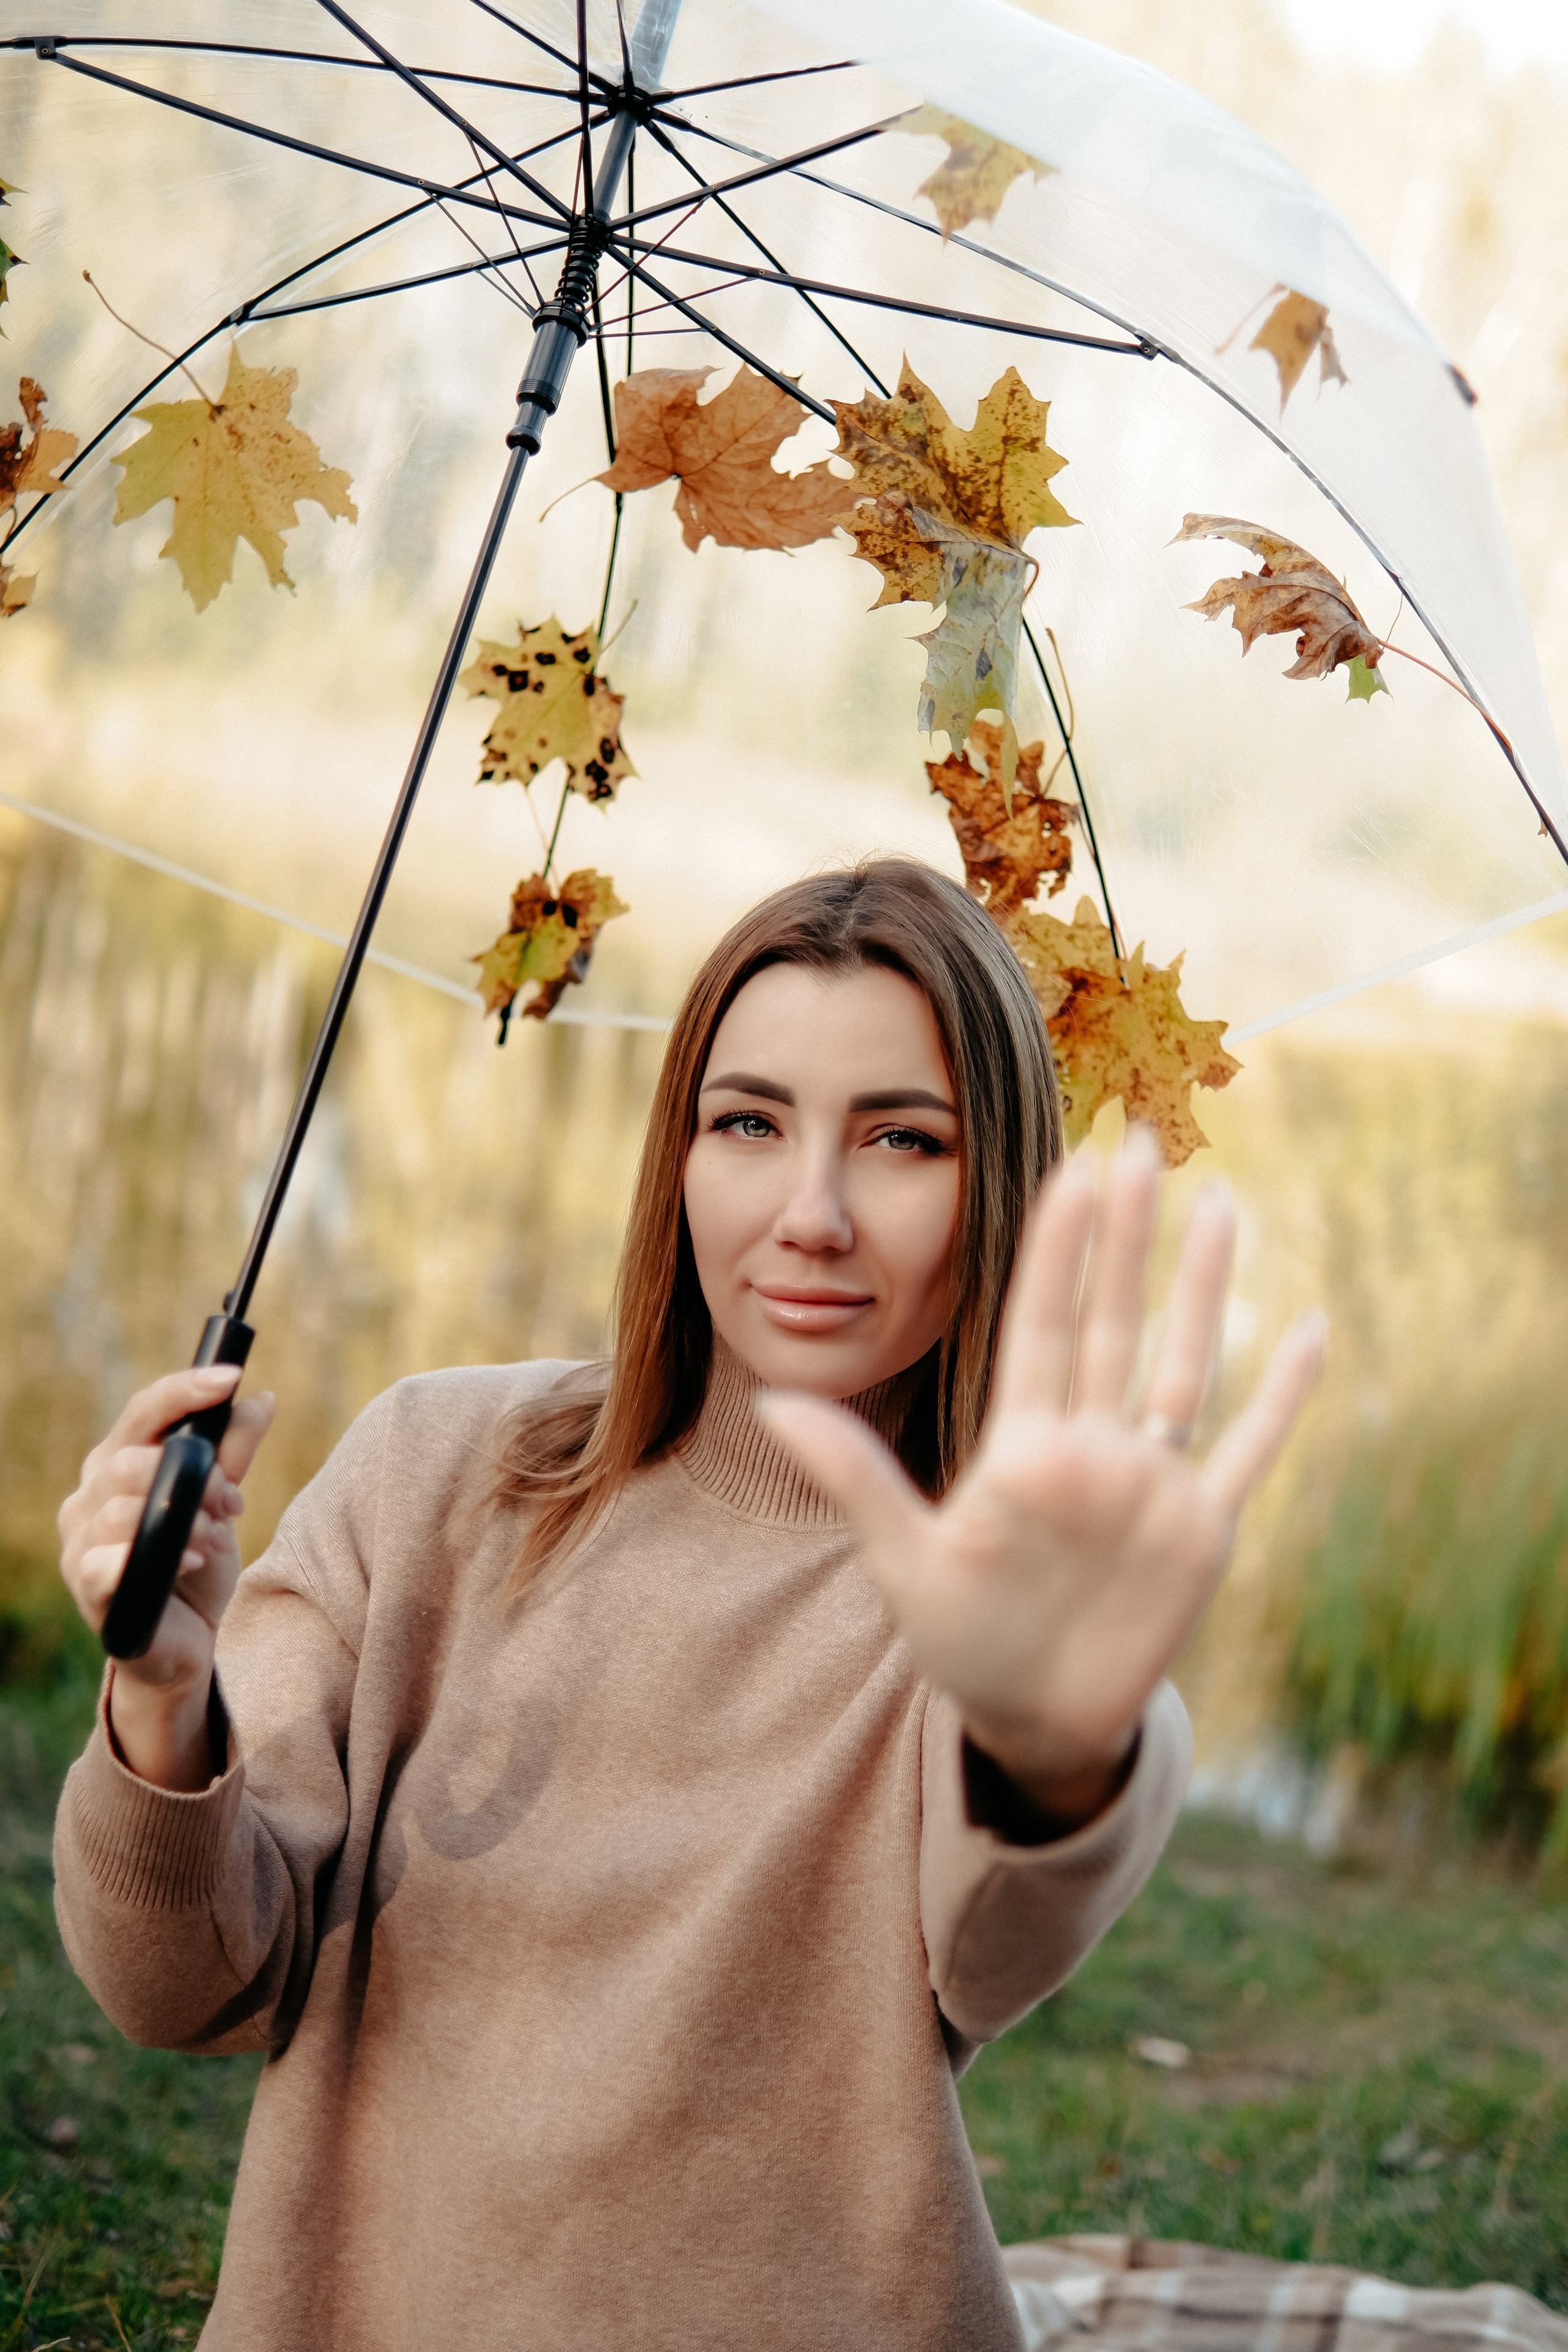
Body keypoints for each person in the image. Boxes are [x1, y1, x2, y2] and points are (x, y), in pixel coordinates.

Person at [53, 862, 1321, 2352]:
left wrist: (1050, 1746)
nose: (810, 1216)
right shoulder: (433, 1470)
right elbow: (184, 1984)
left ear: (1004, 1193)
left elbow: (1001, 1931)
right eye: (747, 1122)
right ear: (679, 1152)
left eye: (904, 1141)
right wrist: (160, 1694)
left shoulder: (984, 1593)